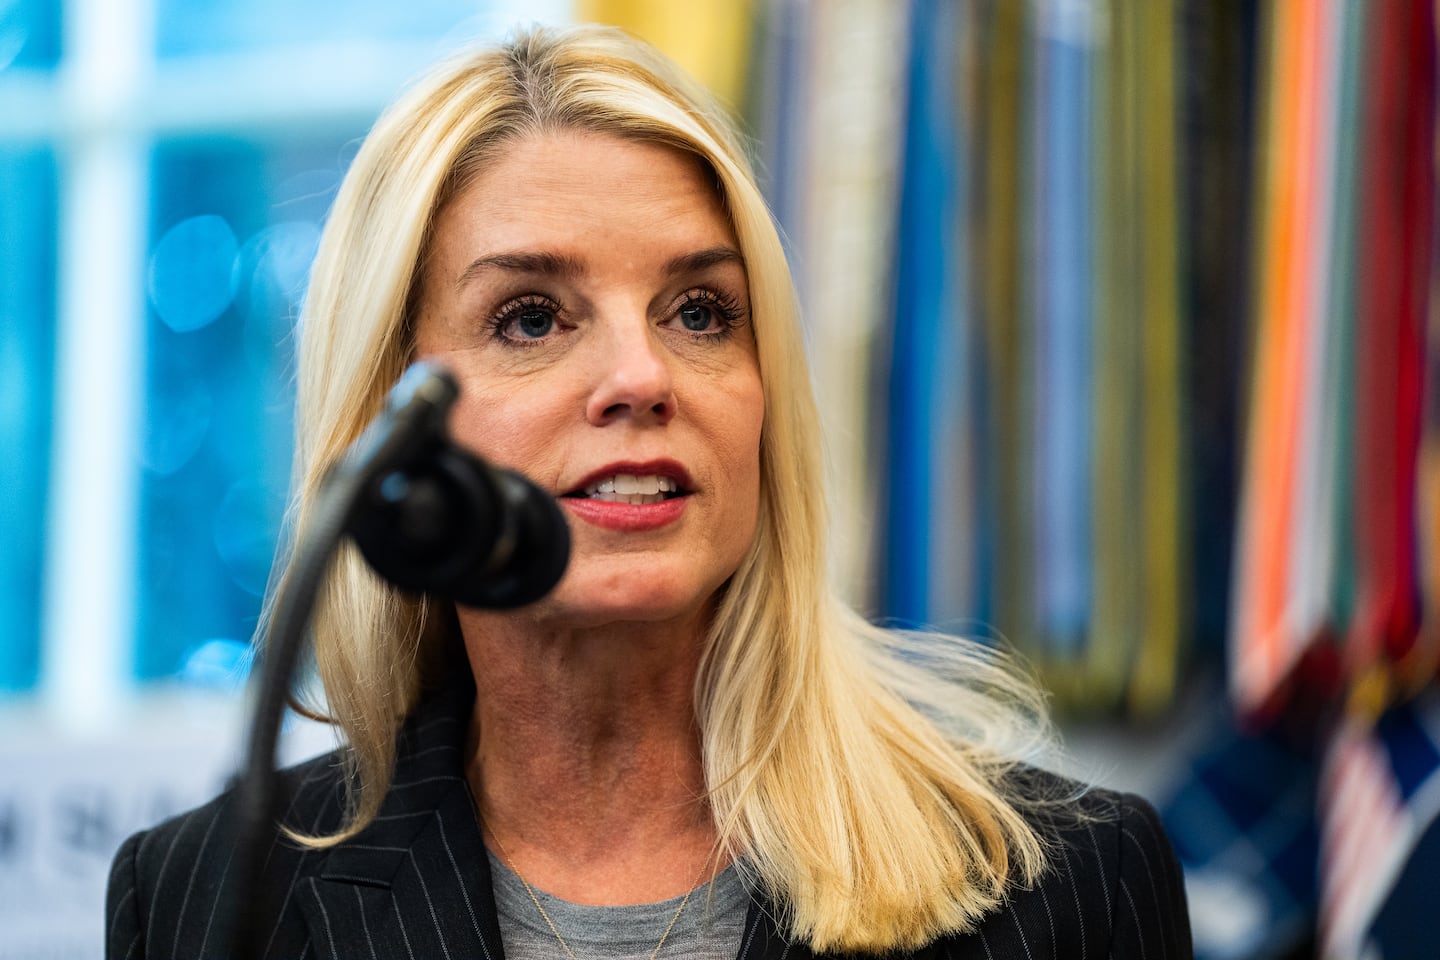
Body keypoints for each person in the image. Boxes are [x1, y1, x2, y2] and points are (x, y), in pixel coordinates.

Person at [107, 23, 1191, 960]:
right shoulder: (201, 896)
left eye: (701, 313)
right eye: (532, 318)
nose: (641, 376)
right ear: (391, 420)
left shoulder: (1073, 884)